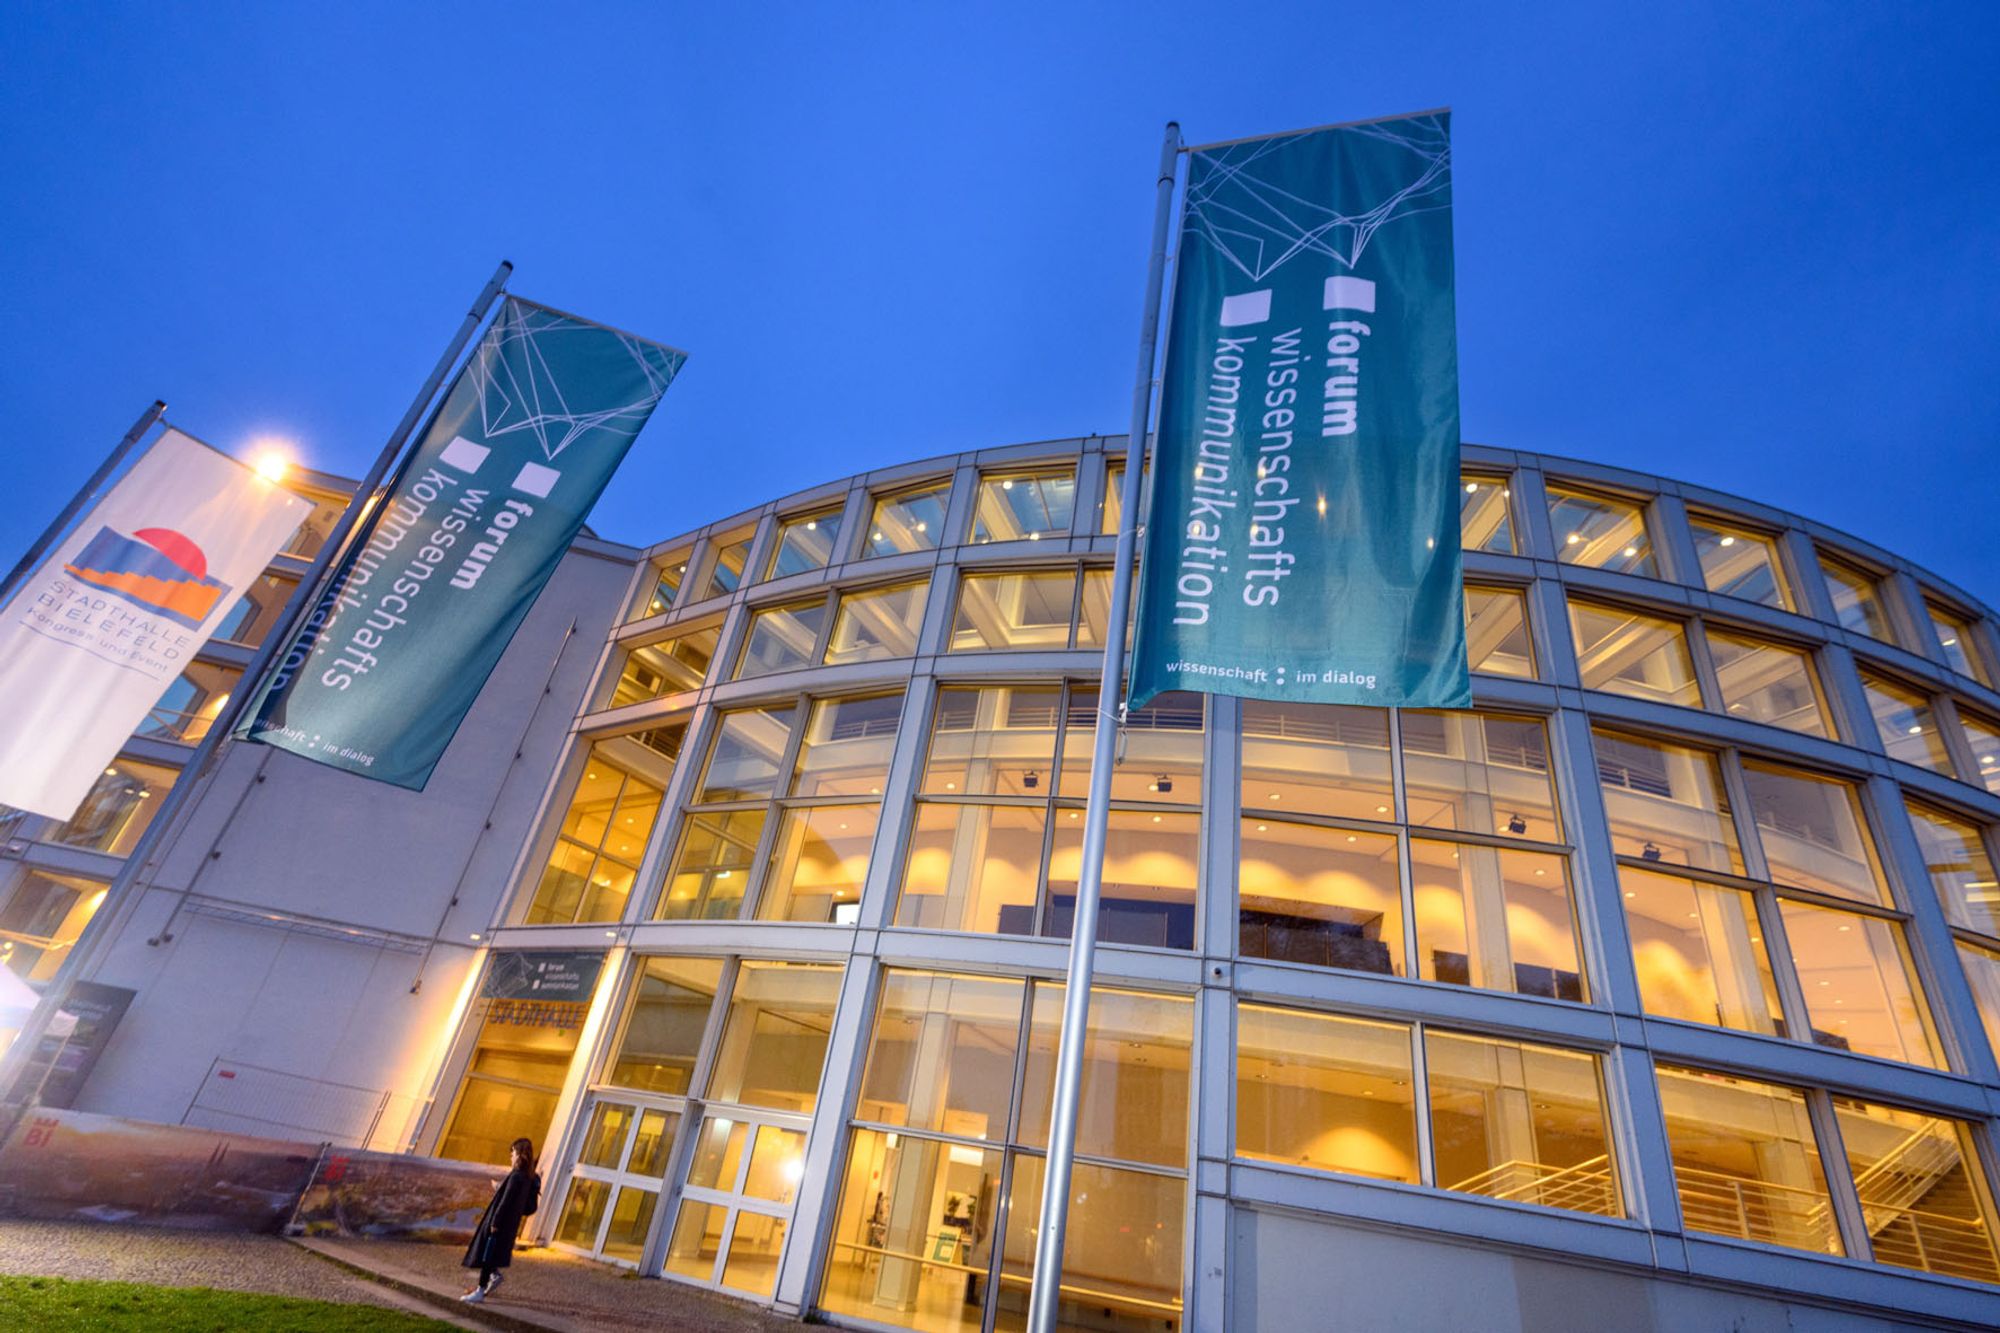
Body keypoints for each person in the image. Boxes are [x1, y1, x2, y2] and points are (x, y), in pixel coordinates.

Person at [461, 1137, 541, 1303]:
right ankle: (490, 1279)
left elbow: (506, 1201)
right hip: (510, 1224)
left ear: (518, 1154)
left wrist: (495, 1223)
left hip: (499, 1222)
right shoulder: (527, 1177)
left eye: (512, 1153)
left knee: (487, 1255)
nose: (511, 1157)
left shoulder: (516, 1176)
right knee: (491, 1254)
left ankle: (480, 1291)